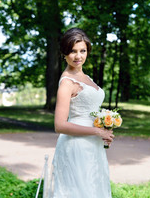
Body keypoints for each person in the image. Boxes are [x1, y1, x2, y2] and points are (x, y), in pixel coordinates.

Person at [48, 28, 114, 198]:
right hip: (76, 146)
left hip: (93, 145)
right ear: (64, 53)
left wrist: (104, 130)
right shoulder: (67, 83)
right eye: (73, 51)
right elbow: (59, 125)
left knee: (94, 190)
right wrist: (97, 131)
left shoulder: (86, 78)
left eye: (82, 51)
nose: (78, 56)